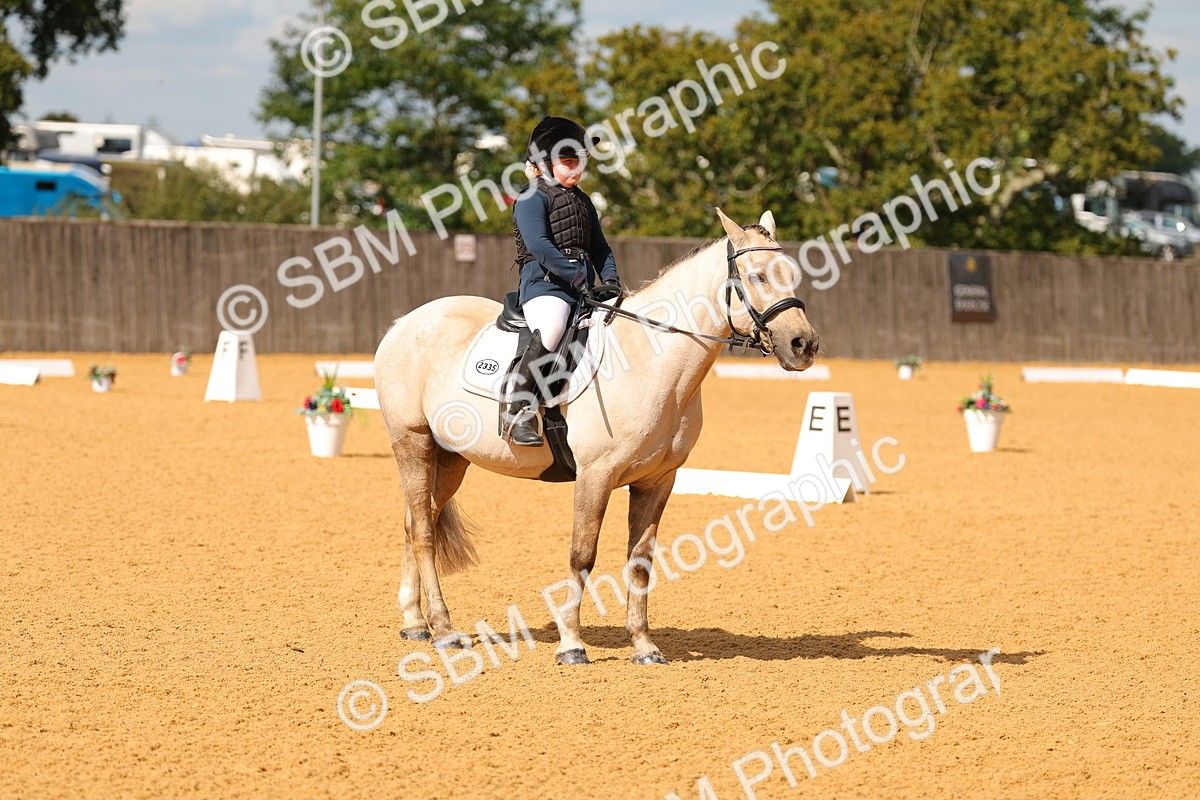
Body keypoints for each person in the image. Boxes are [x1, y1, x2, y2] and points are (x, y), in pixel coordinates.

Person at [503, 116, 622, 447]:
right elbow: (540, 246)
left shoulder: (584, 201)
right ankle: (519, 409)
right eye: (568, 162)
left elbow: (599, 247)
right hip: (546, 286)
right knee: (553, 329)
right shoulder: (530, 198)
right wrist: (577, 276)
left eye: (579, 161)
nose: (576, 169)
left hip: (581, 287)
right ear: (545, 163)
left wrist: (610, 278)